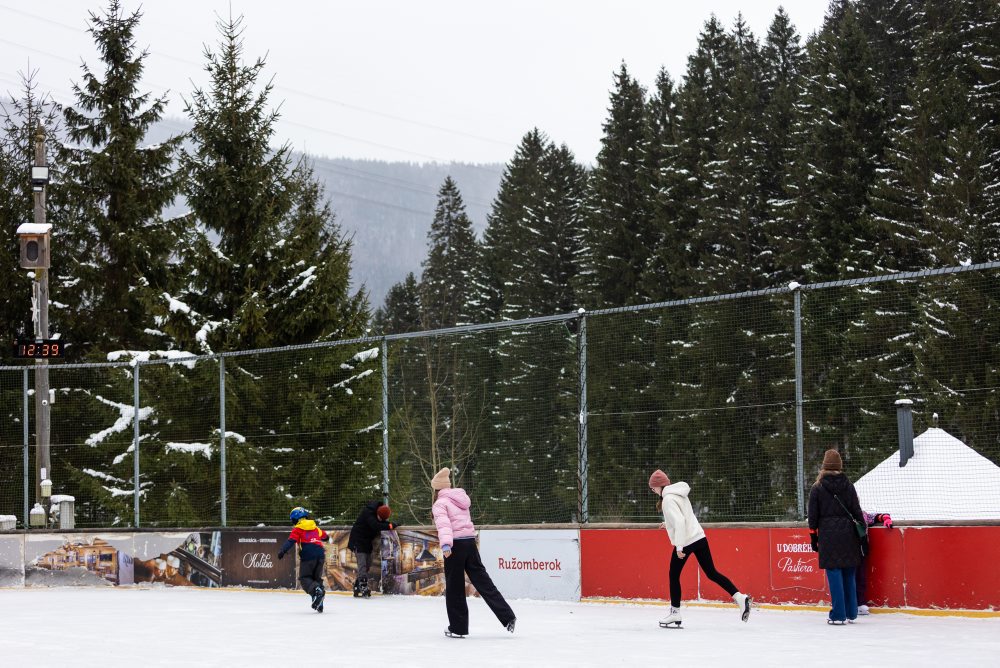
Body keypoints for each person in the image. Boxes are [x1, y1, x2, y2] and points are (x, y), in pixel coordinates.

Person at [648, 469, 752, 627]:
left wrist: (679, 547)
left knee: (673, 575)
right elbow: (683, 517)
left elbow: (681, 522)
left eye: (653, 487)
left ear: (660, 486)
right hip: (699, 537)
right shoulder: (679, 493)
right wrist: (668, 523)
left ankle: (675, 613)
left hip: (686, 541)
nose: (653, 491)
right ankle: (739, 597)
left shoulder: (668, 499)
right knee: (712, 572)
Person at [430, 466, 516, 638]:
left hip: (454, 545)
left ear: (436, 488)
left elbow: (444, 525)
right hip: (469, 542)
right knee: (483, 581)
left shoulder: (440, 503)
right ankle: (507, 616)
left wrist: (446, 545)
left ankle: (458, 627)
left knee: (454, 588)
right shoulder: (460, 499)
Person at [808, 449, 865, 625]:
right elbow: (856, 510)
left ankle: (838, 615)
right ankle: (851, 613)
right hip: (849, 534)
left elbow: (813, 516)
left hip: (828, 534)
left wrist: (813, 537)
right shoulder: (849, 485)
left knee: (834, 573)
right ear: (839, 466)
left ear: (824, 466)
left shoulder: (817, 488)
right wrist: (861, 532)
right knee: (849, 572)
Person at [278, 506, 330, 613]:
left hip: (308, 555)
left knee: (305, 579)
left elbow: (290, 541)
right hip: (320, 555)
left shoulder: (298, 529)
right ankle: (319, 603)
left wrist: (282, 551)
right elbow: (325, 536)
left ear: (296, 519)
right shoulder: (315, 528)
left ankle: (317, 592)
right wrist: (324, 538)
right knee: (316, 579)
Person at [347, 500, 400, 598]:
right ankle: (363, 586)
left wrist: (391, 524)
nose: (380, 520)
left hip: (367, 542)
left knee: (368, 564)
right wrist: (390, 525)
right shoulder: (368, 513)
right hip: (358, 541)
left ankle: (357, 586)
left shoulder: (377, 514)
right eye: (379, 518)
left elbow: (381, 523)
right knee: (362, 564)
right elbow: (375, 525)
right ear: (377, 514)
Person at [856, 510, 892, 615]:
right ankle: (849, 604)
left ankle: (860, 604)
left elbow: (874, 517)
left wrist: (885, 517)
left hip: (861, 551)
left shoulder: (863, 514)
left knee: (861, 578)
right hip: (848, 552)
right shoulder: (843, 514)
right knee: (849, 578)